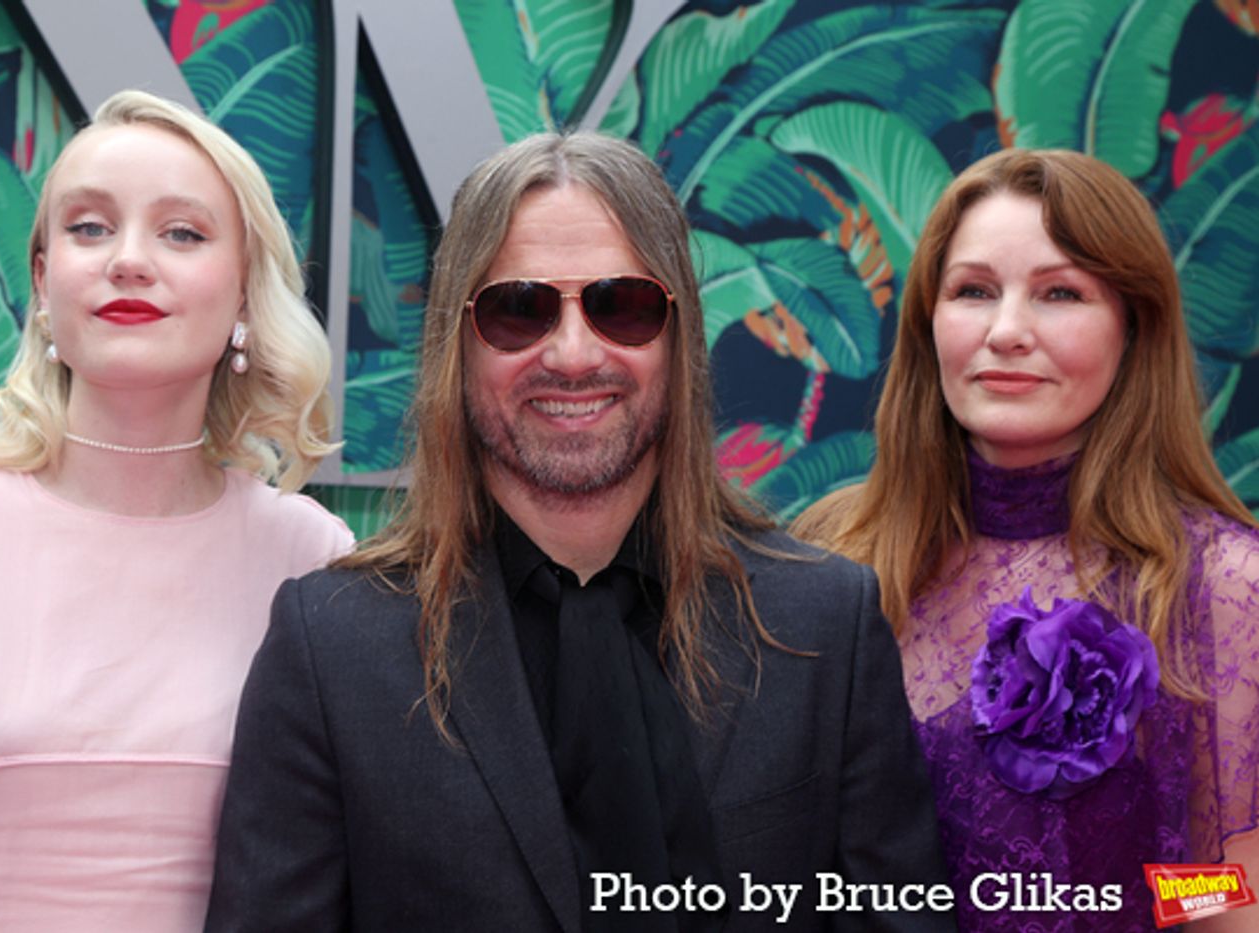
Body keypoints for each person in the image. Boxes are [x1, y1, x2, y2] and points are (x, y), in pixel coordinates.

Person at [205, 131, 952, 932]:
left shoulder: (826, 624)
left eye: (620, 306)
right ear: (457, 346)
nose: (570, 353)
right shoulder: (332, 649)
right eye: (518, 310)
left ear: (680, 335)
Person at [0, 90, 354, 930]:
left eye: (183, 232)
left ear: (243, 293)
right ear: (44, 283)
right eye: (90, 227)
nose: (129, 260)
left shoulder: (308, 556)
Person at [794, 148, 1259, 931]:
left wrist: (1136, 899)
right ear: (928, 321)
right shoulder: (829, 558)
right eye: (974, 290)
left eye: (1060, 293)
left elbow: (1232, 891)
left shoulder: (1223, 586)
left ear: (1132, 328)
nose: (1007, 331)